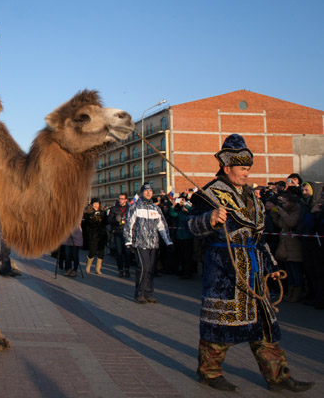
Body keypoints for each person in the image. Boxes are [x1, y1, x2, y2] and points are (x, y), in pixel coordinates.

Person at [187, 133, 313, 393]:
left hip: (254, 274)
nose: (246, 174)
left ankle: (278, 376)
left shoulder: (253, 198)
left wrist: (272, 266)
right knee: (218, 329)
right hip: (224, 274)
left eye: (248, 169)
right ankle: (209, 372)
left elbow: (258, 238)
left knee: (264, 328)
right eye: (242, 169)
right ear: (227, 167)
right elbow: (188, 227)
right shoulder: (208, 195)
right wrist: (209, 218)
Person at [124, 183, 173, 304]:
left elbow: (162, 226)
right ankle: (140, 293)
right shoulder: (135, 207)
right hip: (140, 243)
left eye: (150, 190)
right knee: (143, 267)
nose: (148, 193)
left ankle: (148, 293)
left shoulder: (155, 208)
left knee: (151, 269)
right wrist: (128, 241)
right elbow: (128, 224)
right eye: (146, 191)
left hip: (153, 243)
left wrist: (168, 241)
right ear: (141, 192)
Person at [108, 193, 132, 277]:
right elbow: (109, 220)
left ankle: (127, 269)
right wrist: (116, 220)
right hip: (117, 232)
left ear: (126, 200)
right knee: (118, 252)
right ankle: (120, 269)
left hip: (127, 233)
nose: (120, 200)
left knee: (127, 252)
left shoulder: (130, 208)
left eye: (122, 199)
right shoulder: (114, 209)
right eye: (119, 198)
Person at [82, 198, 107, 274]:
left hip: (102, 234)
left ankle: (98, 268)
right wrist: (92, 218)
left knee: (101, 252)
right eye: (94, 204)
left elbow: (106, 222)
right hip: (93, 234)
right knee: (92, 251)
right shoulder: (88, 213)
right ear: (92, 205)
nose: (96, 205)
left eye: (97, 203)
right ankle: (88, 266)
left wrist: (102, 219)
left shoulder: (103, 212)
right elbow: (85, 224)